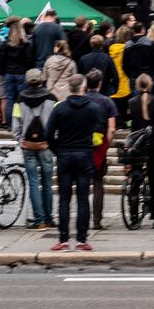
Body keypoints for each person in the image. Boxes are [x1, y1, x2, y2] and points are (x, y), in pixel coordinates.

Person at [47, 73, 105, 250]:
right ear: (84, 87)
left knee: (64, 199)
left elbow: (48, 134)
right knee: (82, 198)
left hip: (64, 153)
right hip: (84, 153)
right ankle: (82, 239)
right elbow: (99, 132)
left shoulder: (59, 108)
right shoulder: (93, 108)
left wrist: (58, 150)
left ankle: (63, 238)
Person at [13, 68, 58, 231]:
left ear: (26, 81)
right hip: (46, 145)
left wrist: (20, 140)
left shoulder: (20, 100)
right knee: (47, 182)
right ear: (41, 80)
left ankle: (39, 220)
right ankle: (49, 218)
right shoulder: (52, 98)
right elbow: (58, 123)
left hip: (28, 146)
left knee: (33, 182)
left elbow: (15, 126)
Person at [127, 74, 154, 230]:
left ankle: (132, 216)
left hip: (138, 145)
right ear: (151, 84)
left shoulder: (132, 102)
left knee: (135, 177)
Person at [83, 70, 118, 230]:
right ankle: (96, 220)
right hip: (99, 143)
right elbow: (112, 128)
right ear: (100, 83)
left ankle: (82, 218)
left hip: (82, 143)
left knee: (82, 183)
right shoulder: (107, 101)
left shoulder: (81, 100)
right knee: (98, 182)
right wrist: (107, 144)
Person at [2, 19, 33, 126]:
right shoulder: (25, 44)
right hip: (21, 73)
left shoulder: (5, 44)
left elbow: (2, 59)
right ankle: (21, 123)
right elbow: (29, 60)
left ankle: (10, 124)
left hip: (9, 73)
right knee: (21, 99)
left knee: (10, 99)